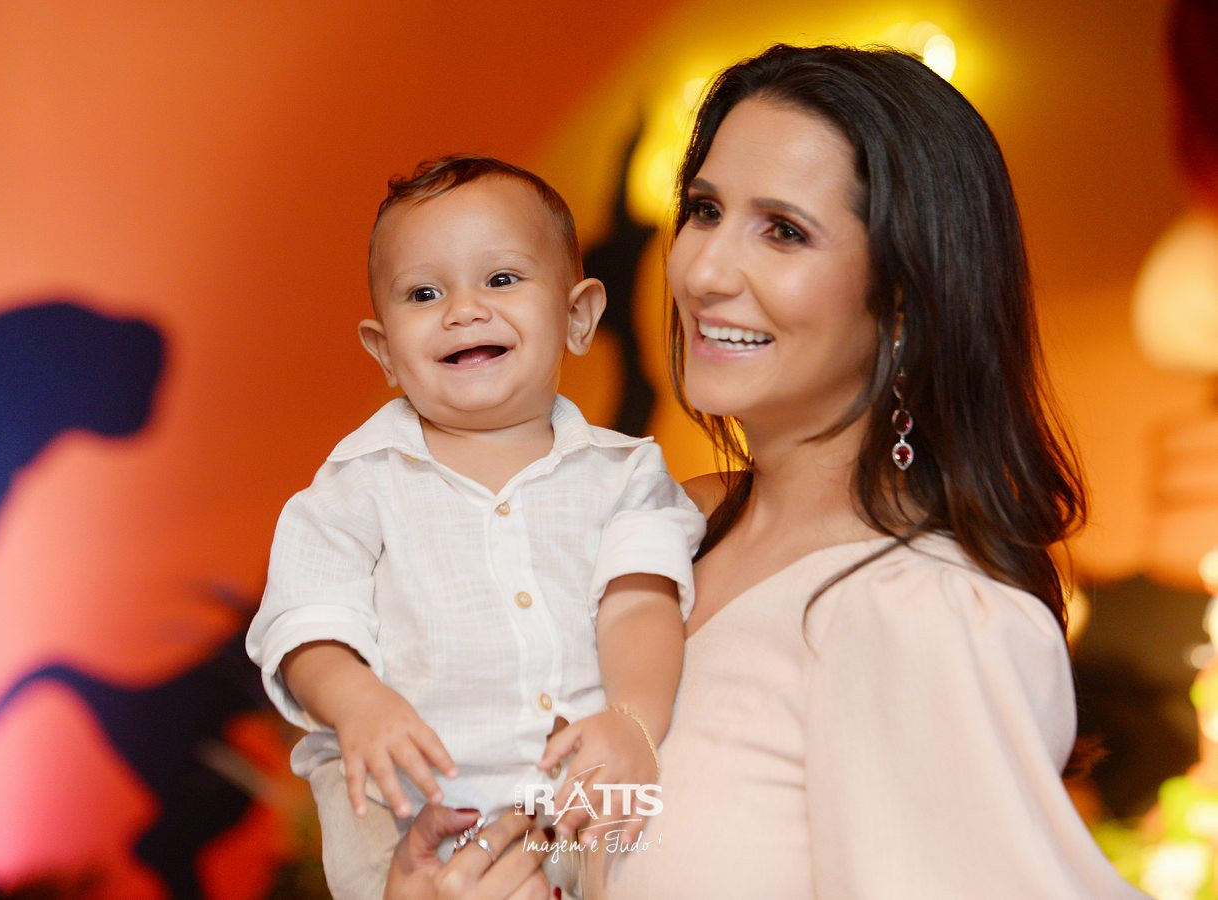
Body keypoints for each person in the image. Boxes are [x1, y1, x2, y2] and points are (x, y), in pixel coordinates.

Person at [389, 45, 1149, 898]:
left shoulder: (918, 613)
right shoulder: (659, 535)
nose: (703, 271)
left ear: (904, 298)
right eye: (704, 210)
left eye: (783, 230)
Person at [246, 156, 705, 899]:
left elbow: (638, 602)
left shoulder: (624, 474)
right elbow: (306, 624)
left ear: (579, 317)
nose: (463, 310)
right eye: (424, 293)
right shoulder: (356, 486)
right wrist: (356, 701)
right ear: (385, 351)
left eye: (500, 279)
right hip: (410, 820)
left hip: (584, 802)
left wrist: (633, 719)